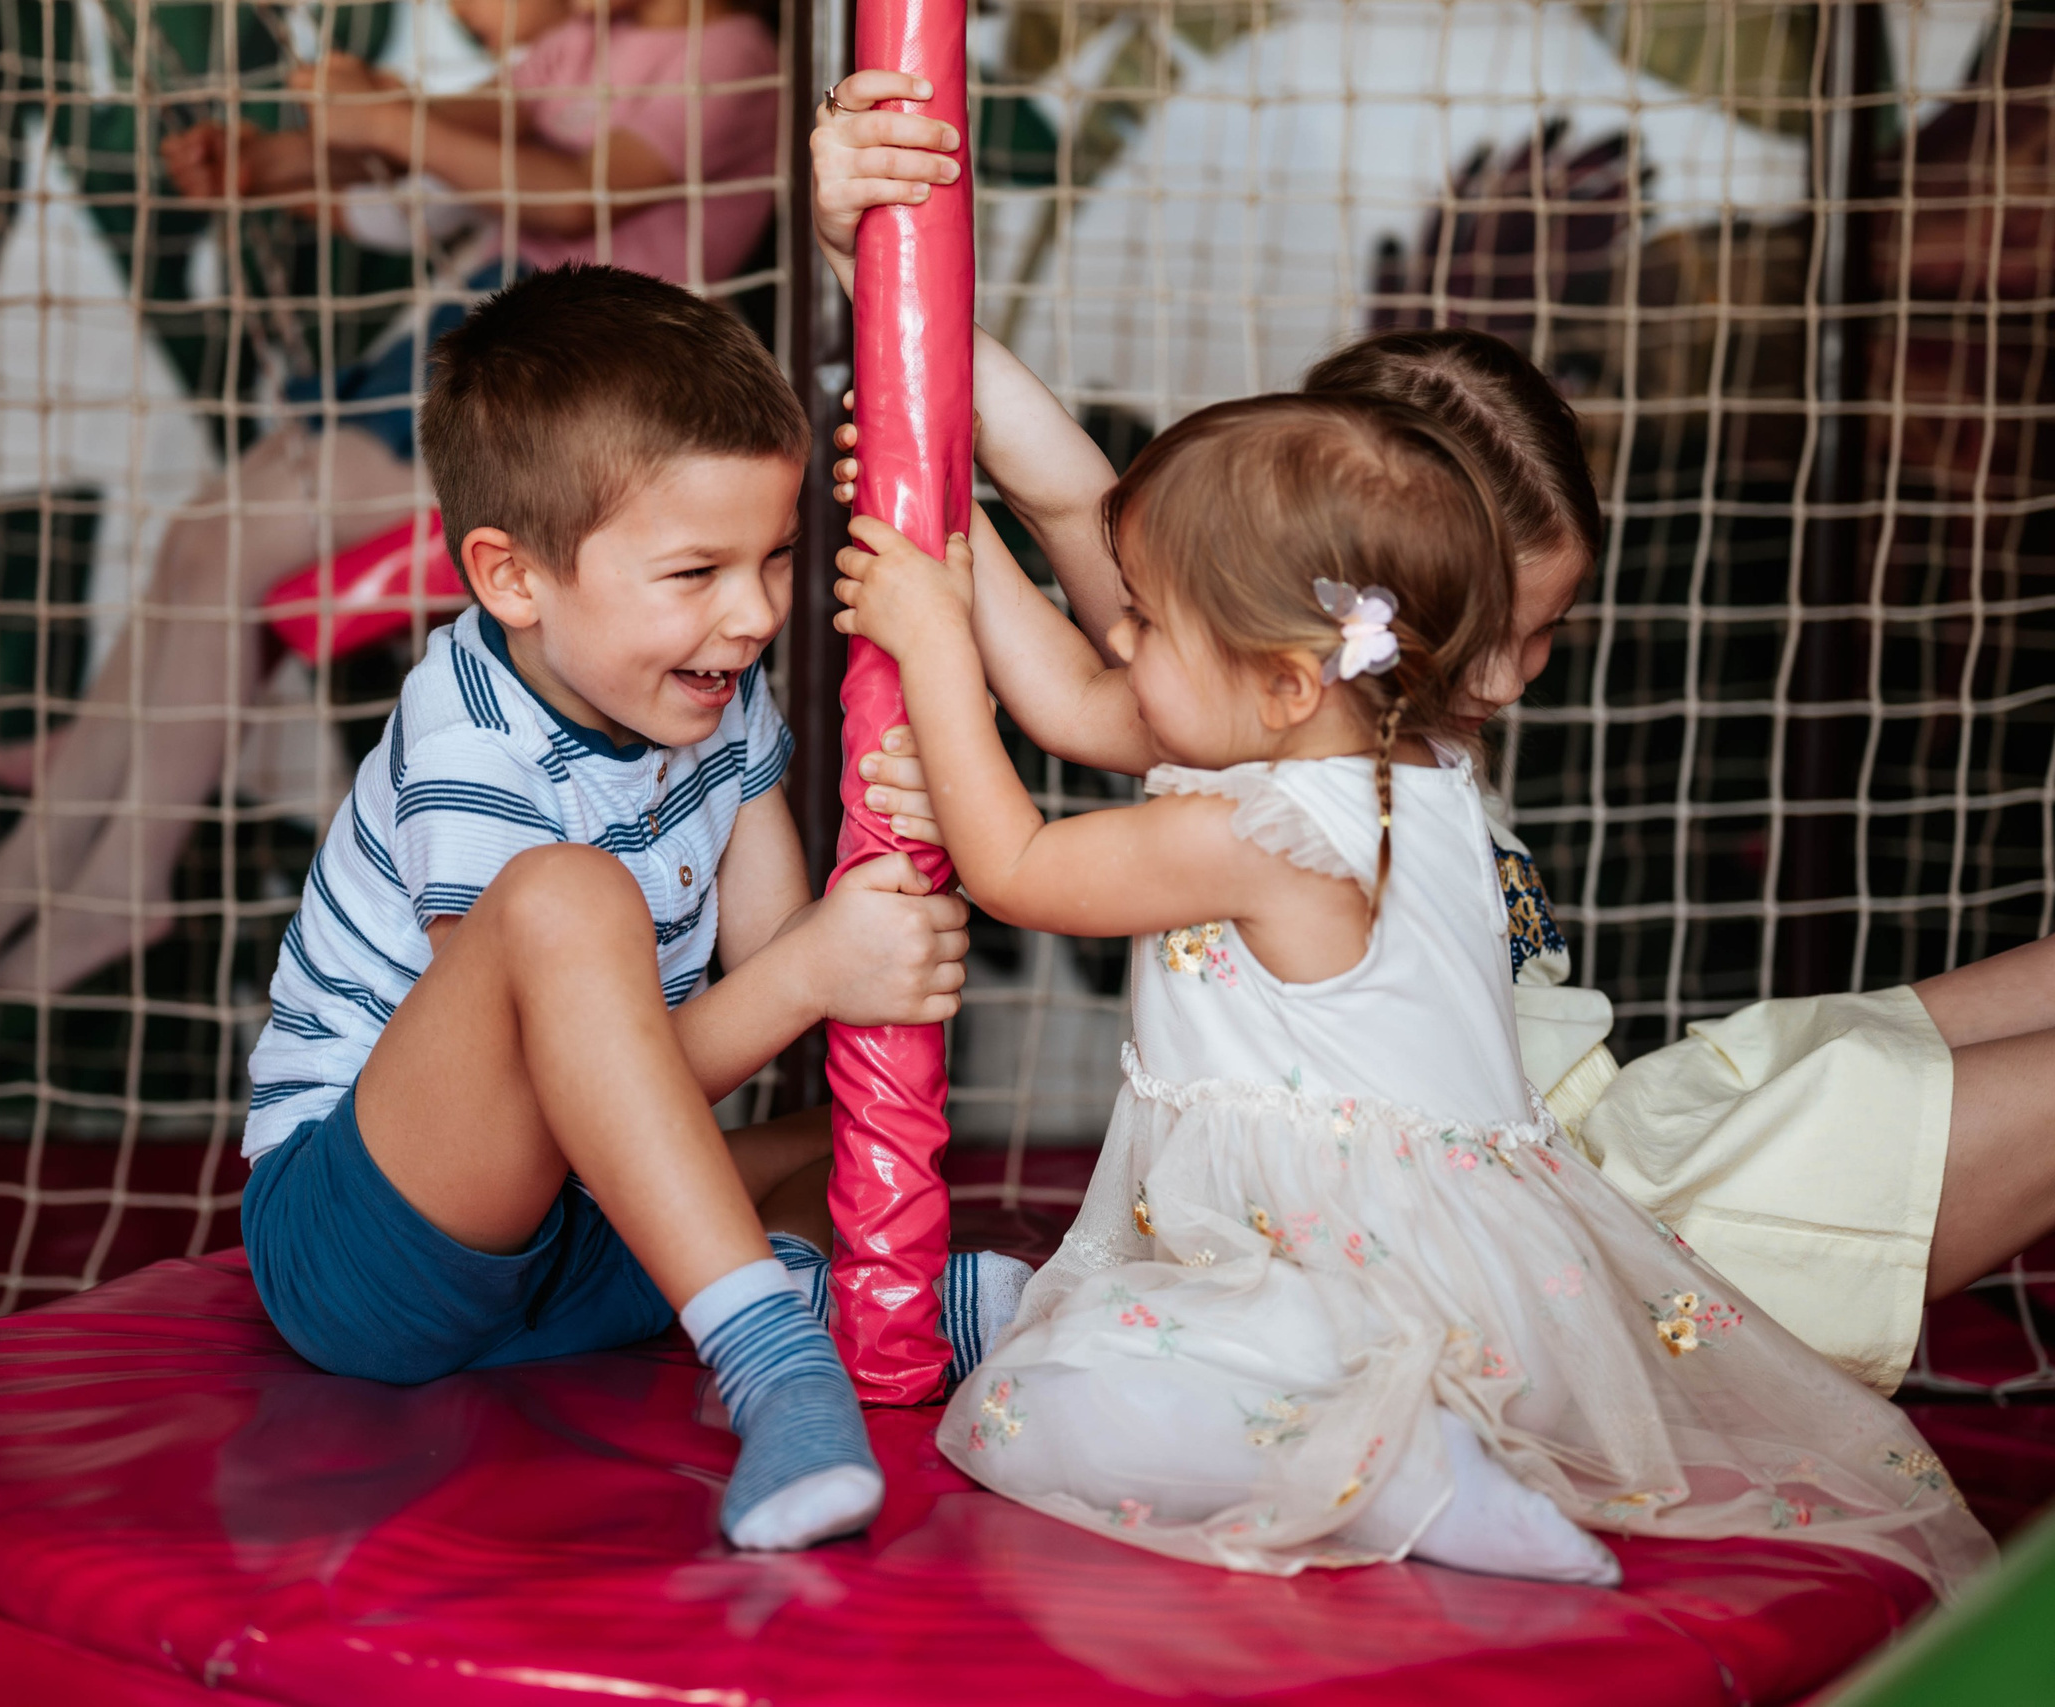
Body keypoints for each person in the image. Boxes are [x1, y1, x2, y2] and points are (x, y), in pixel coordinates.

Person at [814, 69, 2055, 1400]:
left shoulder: (1344, 706)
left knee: (1860, 1042)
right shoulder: (1269, 717)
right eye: (1478, 635)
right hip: (1563, 1222)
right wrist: (876, 260)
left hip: (1590, 1131)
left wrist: (942, 550)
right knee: (1863, 1093)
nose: (1509, 683)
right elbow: (1062, 490)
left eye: (1538, 633)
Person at [828, 390, 1990, 1589]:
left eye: (1149, 622)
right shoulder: (1409, 761)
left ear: (1284, 682)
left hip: (1368, 1299)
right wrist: (945, 557)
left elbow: (1014, 867)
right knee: (1108, 1354)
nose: (1121, 642)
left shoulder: (1263, 834)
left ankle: (1411, 1469)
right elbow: (1075, 702)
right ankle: (1432, 1451)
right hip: (1491, 1308)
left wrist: (929, 645)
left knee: (1037, 1404)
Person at [235, 267, 1026, 1553]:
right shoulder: (468, 746)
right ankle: (775, 1355)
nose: (755, 613)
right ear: (512, 577)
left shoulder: (709, 694)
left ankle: (852, 1293)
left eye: (774, 557)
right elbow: (556, 1105)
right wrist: (815, 973)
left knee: (860, 1133)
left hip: (566, 1246)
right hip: (373, 1244)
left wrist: (879, 905)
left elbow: (772, 969)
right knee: (566, 897)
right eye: (695, 571)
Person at [0, 0, 782, 993]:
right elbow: (443, 171)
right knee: (207, 537)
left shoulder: (731, 53)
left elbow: (566, 192)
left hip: (588, 412)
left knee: (229, 545)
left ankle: (110, 872)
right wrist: (277, 165)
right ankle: (63, 834)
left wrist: (384, 120)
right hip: (498, 351)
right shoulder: (580, 47)